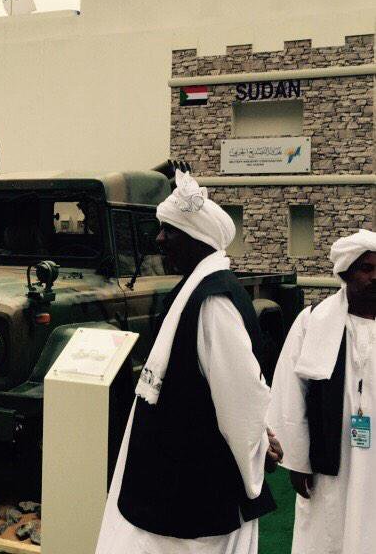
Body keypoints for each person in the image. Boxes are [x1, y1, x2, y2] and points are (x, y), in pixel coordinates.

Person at [96, 170, 282, 554]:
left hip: (195, 490)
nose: (159, 239)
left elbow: (241, 397)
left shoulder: (214, 302)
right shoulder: (193, 290)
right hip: (171, 479)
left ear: (198, 238)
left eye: (170, 231)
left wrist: (259, 447)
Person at [267, 229, 376, 554]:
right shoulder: (313, 321)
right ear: (346, 273)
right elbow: (290, 393)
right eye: (366, 268)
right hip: (329, 459)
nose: (374, 276)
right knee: (327, 528)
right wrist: (298, 460)